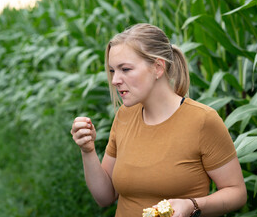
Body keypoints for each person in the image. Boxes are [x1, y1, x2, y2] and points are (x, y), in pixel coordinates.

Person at [71, 23, 247, 217]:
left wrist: (192, 205)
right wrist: (88, 151)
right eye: (113, 71)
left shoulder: (203, 121)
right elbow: (105, 197)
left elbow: (237, 193)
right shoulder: (124, 115)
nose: (115, 80)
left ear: (157, 68)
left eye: (125, 69)